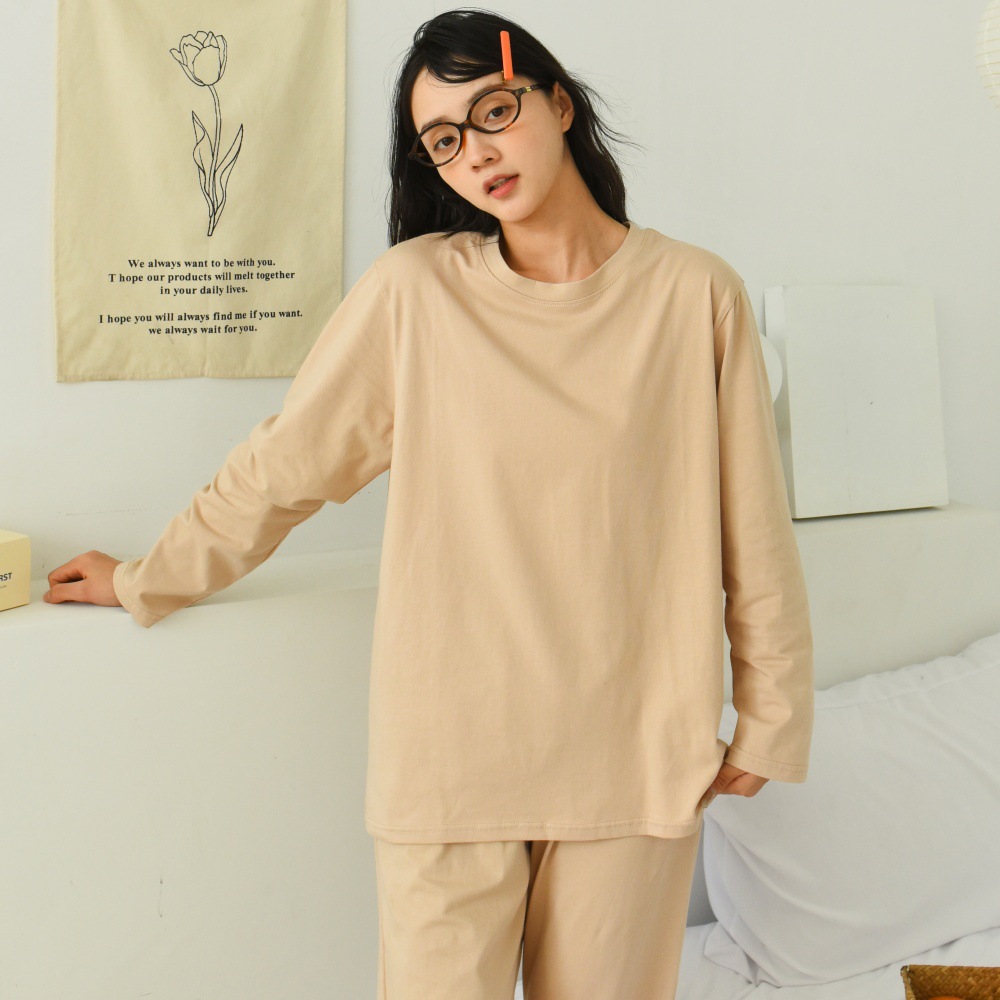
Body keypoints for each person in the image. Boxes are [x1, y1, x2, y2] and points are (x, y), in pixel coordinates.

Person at [44, 8, 814, 999]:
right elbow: (283, 468)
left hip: (633, 757)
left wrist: (772, 712)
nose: (475, 153)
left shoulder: (695, 294)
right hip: (451, 761)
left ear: (559, 104)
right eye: (443, 140)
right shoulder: (414, 294)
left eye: (493, 112)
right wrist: (148, 578)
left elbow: (753, 528)